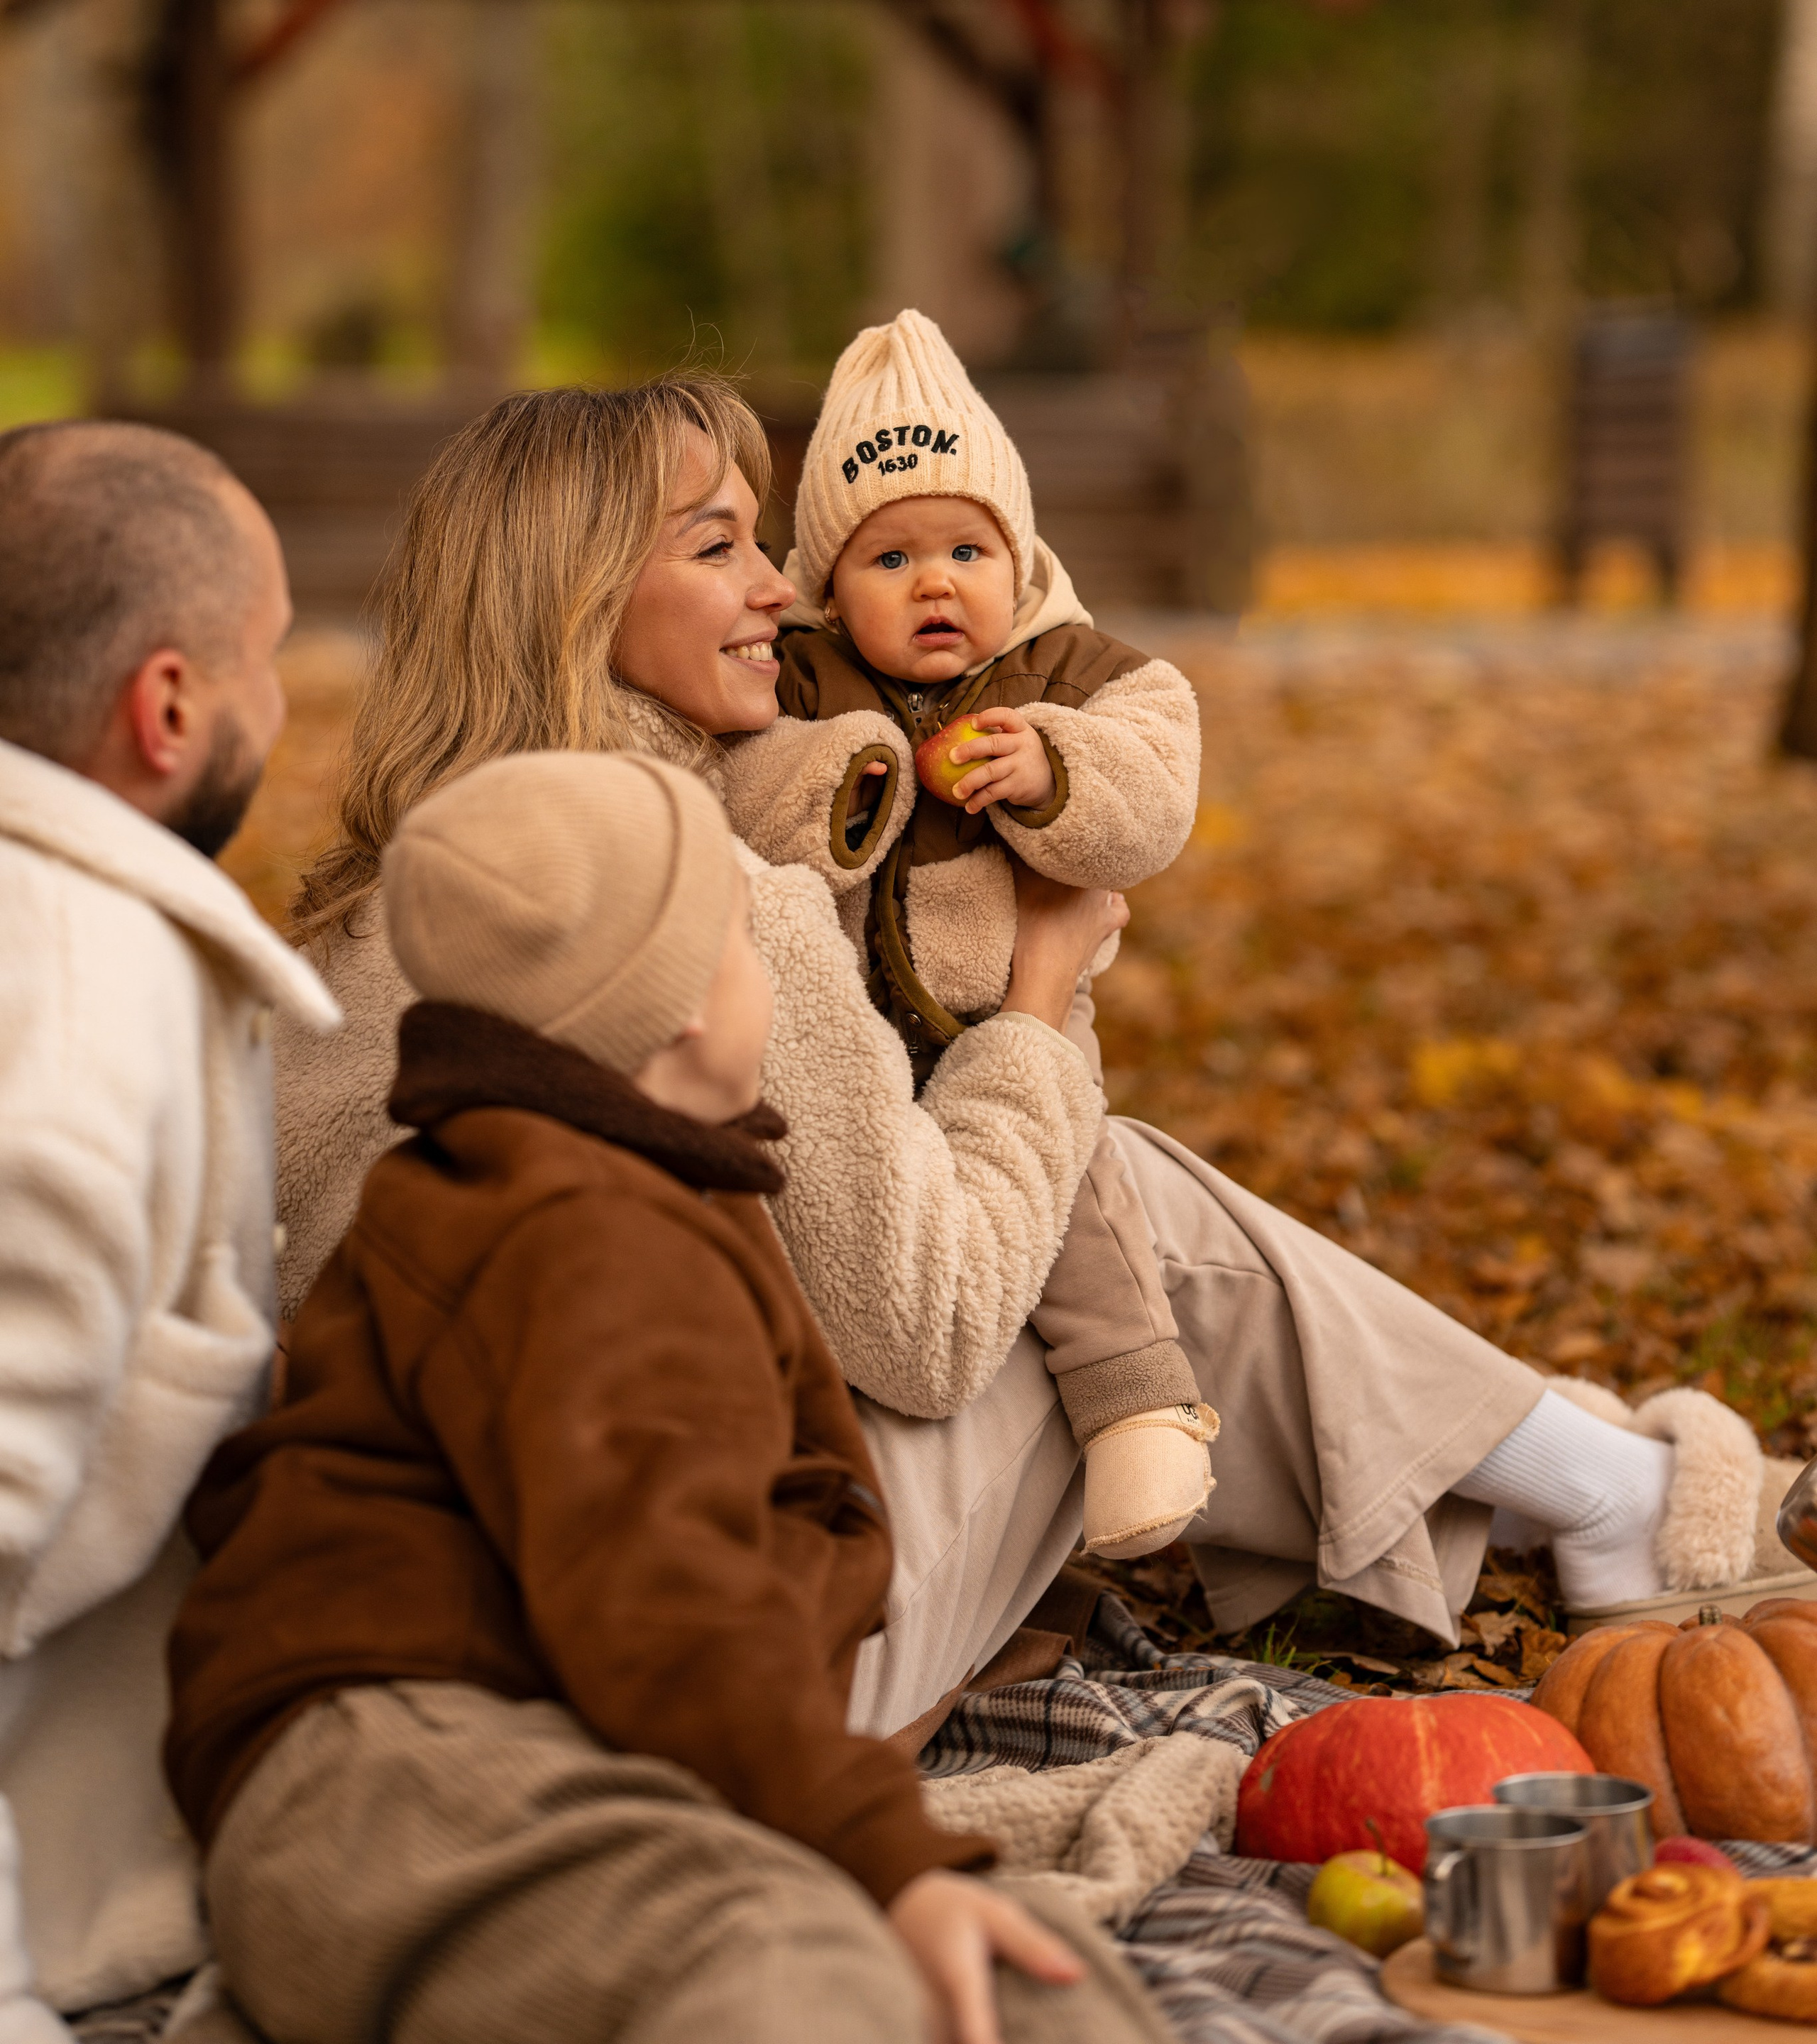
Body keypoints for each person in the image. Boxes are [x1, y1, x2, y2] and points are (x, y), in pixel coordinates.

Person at [273, 375, 1794, 1742]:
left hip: (427, 1638)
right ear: (579, 597)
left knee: (1076, 1204)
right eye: (718, 544)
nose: (784, 583)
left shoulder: (385, 898)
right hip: (708, 1672)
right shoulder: (702, 895)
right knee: (1083, 1202)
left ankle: (1579, 1497)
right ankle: (1607, 1498)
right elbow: (928, 1325)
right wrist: (1036, 1004)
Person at [169, 750, 1171, 2044]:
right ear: (692, 1005)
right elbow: (669, 1593)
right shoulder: (579, 1233)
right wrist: (882, 1848)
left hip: (548, 1748)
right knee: (788, 1960)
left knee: (1020, 1980)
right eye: (753, 943)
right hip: (387, 1776)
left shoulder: (609, 1180)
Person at [720, 311, 1214, 1564]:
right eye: (889, 561)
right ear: (828, 584)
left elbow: (1157, 787)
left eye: (964, 548)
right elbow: (750, 790)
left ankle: (1138, 1404)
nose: (935, 583)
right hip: (853, 1050)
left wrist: (1057, 771)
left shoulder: (1072, 670)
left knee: (1079, 1204)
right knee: (901, 1237)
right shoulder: (799, 677)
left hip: (1013, 1024)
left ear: (1020, 553)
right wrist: (853, 769)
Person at [0, 422, 339, 2044]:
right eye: (265, 656)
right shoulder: (79, 1001)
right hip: (60, 1923)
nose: (278, 705)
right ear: (169, 708)